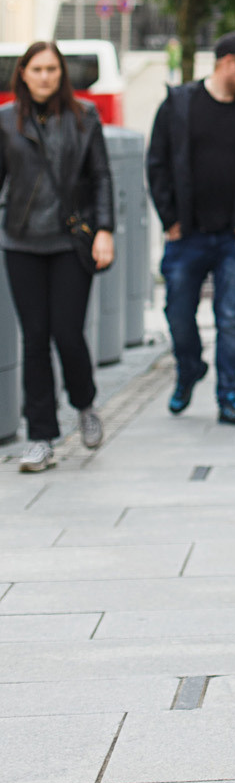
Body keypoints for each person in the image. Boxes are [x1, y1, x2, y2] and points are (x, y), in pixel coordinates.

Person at [147, 30, 235, 426]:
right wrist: (170, 220)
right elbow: (157, 165)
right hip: (185, 236)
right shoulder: (178, 104)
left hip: (234, 240)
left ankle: (229, 398)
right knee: (178, 316)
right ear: (227, 62)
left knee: (231, 318)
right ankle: (188, 368)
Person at [1, 41, 115, 471]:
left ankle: (85, 404)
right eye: (37, 69)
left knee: (67, 332)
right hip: (21, 241)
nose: (45, 76)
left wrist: (105, 229)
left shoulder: (85, 117)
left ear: (61, 73)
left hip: (70, 241)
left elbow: (101, 174)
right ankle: (42, 438)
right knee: (34, 338)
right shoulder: (6, 122)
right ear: (24, 74)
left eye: (52, 69)